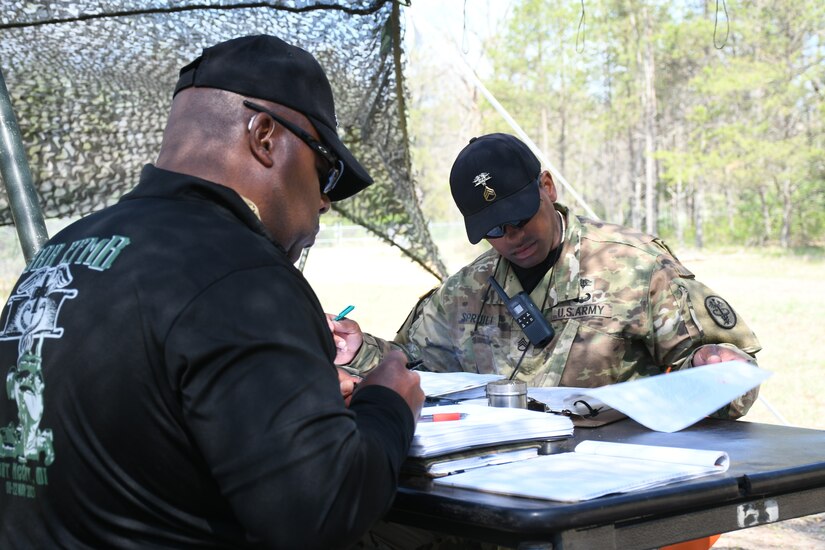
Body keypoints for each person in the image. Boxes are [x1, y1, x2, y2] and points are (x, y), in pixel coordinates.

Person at [0, 35, 424, 549]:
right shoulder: (243, 272)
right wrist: (387, 404)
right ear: (265, 136)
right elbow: (322, 511)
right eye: (324, 170)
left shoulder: (62, 252)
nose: (325, 203)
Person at [336, 132, 761, 420]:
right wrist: (360, 350)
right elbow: (410, 365)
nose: (511, 237)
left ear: (547, 187)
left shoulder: (636, 266)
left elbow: (729, 376)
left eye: (518, 217)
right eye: (493, 230)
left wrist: (718, 367)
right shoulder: (467, 289)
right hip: (501, 484)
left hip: (615, 481)